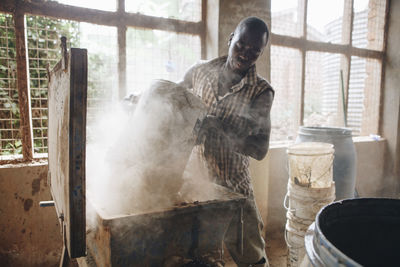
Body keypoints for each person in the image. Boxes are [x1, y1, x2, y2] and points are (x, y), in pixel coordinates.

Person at [179, 17, 274, 267]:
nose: (245, 53)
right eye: (241, 45)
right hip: (195, 184)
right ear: (231, 39)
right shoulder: (200, 71)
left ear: (261, 53)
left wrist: (220, 128)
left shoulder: (260, 91)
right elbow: (174, 100)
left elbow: (260, 149)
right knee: (197, 256)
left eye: (255, 50)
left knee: (251, 257)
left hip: (234, 188)